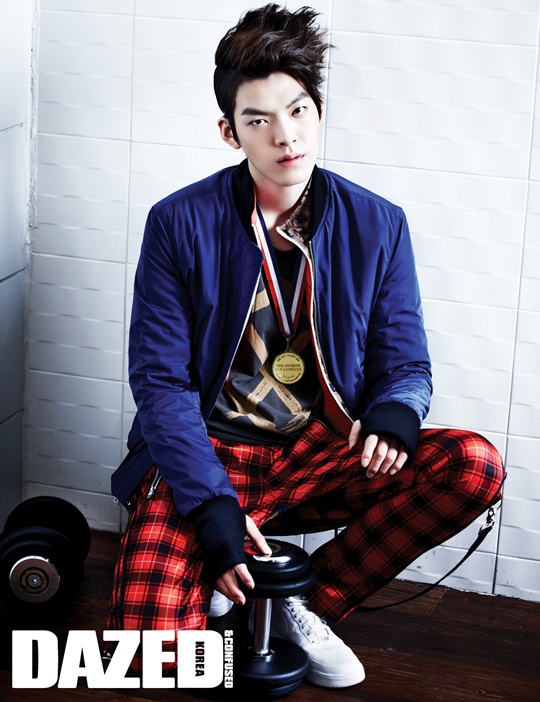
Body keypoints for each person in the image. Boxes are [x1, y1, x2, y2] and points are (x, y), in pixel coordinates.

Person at [107, 3, 505, 689]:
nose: (285, 136)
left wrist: (395, 415)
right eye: (259, 120)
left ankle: (305, 602)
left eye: (297, 111)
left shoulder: (379, 223)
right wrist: (210, 507)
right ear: (230, 132)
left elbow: (405, 363)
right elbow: (161, 384)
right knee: (149, 657)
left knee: (472, 465)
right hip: (211, 452)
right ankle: (221, 582)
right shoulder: (177, 223)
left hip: (317, 450)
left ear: (318, 112)